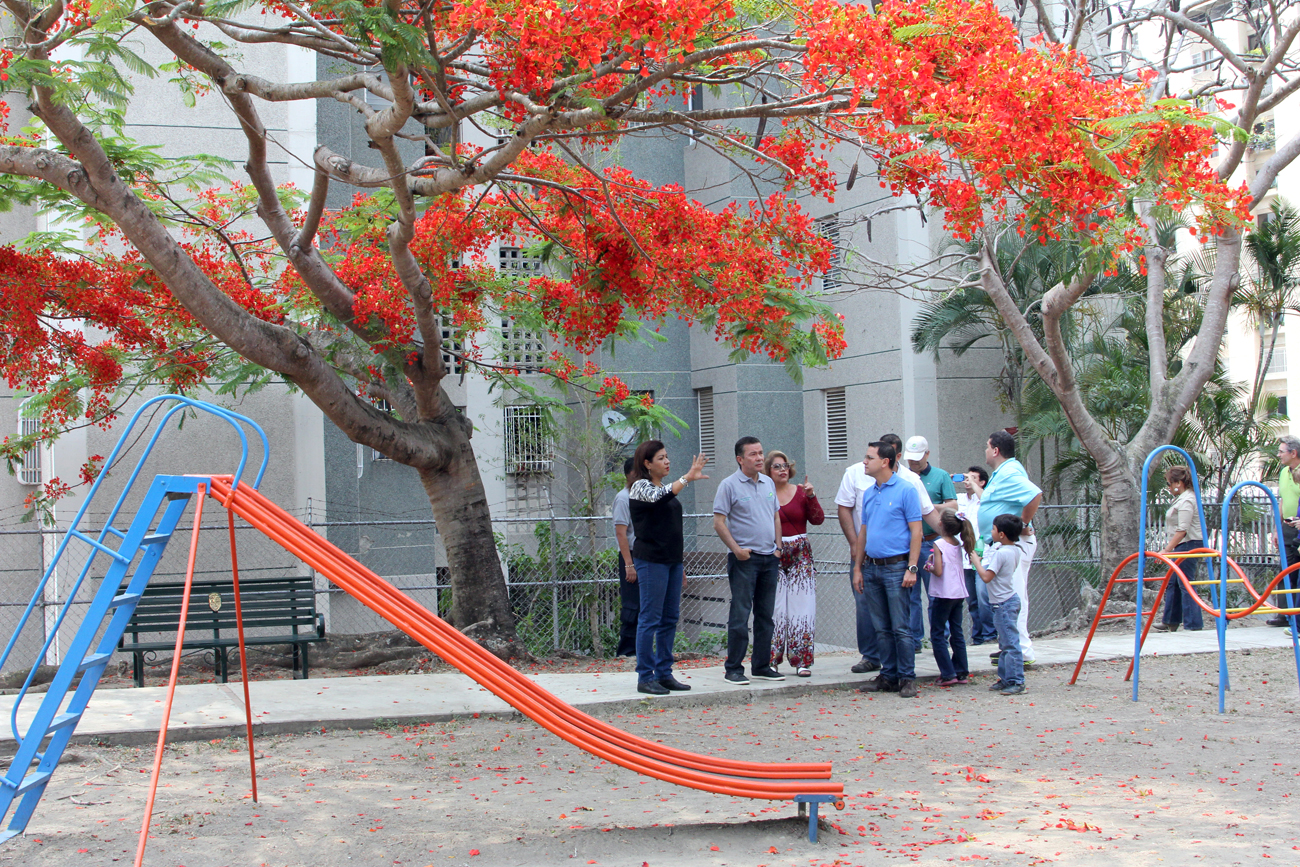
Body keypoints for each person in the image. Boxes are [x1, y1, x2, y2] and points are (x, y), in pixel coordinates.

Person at [628, 440, 709, 695]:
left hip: (672, 561)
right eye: (661, 458)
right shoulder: (640, 487)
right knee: (650, 618)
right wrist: (687, 477)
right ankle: (645, 676)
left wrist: (680, 563)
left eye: (667, 457)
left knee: (670, 617)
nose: (667, 462)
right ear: (647, 463)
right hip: (651, 560)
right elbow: (659, 498)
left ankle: (664, 673)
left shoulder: (665, 486)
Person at [851, 441, 924, 699]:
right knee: (881, 627)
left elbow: (917, 531)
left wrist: (912, 567)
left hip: (896, 567)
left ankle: (907, 678)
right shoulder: (869, 493)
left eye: (869, 457)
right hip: (872, 568)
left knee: (901, 627)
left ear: (885, 461)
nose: (864, 461)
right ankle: (888, 675)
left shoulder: (906, 490)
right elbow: (864, 532)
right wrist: (858, 568)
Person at [714, 436, 784, 685]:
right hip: (745, 560)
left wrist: (778, 547)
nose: (759, 458)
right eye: (753, 454)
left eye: (761, 453)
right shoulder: (729, 485)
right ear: (740, 459)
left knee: (765, 616)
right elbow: (719, 522)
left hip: (769, 559)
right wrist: (736, 549)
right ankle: (733, 668)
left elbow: (775, 516)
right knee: (740, 615)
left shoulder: (767, 482)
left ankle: (762, 665)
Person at [968, 431, 1043, 665]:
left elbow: (1034, 494)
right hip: (1003, 543)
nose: (985, 450)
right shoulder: (1002, 473)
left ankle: (1021, 651)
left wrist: (1023, 524)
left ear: (996, 450)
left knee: (1014, 596)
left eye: (987, 446)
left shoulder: (1009, 472)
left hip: (1014, 543)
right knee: (1004, 597)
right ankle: (1010, 645)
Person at [765, 451, 825, 677]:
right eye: (777, 466)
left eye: (786, 465)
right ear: (768, 470)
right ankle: (771, 659)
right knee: (775, 609)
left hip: (801, 553)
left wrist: (811, 496)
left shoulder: (801, 492)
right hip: (774, 552)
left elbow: (817, 519)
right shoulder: (764, 492)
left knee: (803, 608)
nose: (782, 470)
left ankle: (802, 661)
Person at [902, 435, 957, 650]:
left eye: (917, 458)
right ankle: (915, 640)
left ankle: (939, 639)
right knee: (911, 594)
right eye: (910, 459)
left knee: (935, 592)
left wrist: (927, 506)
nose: (913, 463)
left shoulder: (941, 476)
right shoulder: (903, 477)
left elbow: (953, 504)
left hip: (932, 541)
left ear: (927, 454)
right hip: (910, 542)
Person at [970, 514, 1026, 695]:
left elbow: (986, 577)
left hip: (1003, 603)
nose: (991, 532)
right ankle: (1006, 678)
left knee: (1010, 644)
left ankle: (1017, 680)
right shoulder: (1014, 549)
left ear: (1001, 534)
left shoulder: (1002, 554)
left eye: (993, 529)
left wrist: (976, 562)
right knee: (1005, 643)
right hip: (1005, 602)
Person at [835, 459, 882, 675]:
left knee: (898, 606)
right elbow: (845, 508)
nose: (866, 461)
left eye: (870, 457)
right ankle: (870, 656)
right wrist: (854, 545)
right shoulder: (855, 474)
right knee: (864, 604)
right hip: (864, 554)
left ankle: (897, 656)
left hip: (894, 557)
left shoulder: (908, 480)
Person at [1155, 465, 1205, 633]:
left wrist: (1166, 550)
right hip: (1181, 545)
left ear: (1179, 483)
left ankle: (1193, 623)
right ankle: (1170, 620)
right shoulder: (1181, 498)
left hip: (1189, 543)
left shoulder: (1187, 500)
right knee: (1173, 583)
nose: (1168, 488)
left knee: (1185, 583)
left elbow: (1182, 529)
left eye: (1170, 484)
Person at [927, 510, 972, 685]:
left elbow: (938, 571)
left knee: (938, 633)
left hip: (944, 593)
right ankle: (961, 670)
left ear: (941, 525)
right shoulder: (958, 543)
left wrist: (929, 566)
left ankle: (947, 673)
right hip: (959, 592)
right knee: (957, 631)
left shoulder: (939, 544)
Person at [958, 465, 997, 644]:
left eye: (973, 478)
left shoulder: (985, 498)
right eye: (967, 477)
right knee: (971, 600)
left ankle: (990, 634)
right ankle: (978, 635)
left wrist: (974, 485)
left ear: (982, 482)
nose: (968, 481)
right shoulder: (961, 500)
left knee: (983, 596)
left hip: (984, 555)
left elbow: (985, 499)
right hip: (965, 556)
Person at [1269, 436, 1300, 626]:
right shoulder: (1283, 473)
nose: (1278, 455)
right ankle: (1284, 613)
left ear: (1293, 453)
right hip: (1288, 527)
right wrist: (1276, 528)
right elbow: (1281, 500)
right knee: (1286, 570)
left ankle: (1296, 616)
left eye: (1281, 451)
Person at [612, 457, 639, 656]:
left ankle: (641, 650)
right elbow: (621, 533)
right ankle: (627, 651)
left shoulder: (645, 496)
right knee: (632, 605)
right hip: (630, 555)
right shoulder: (623, 498)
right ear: (630, 475)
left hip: (646, 554)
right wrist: (629, 564)